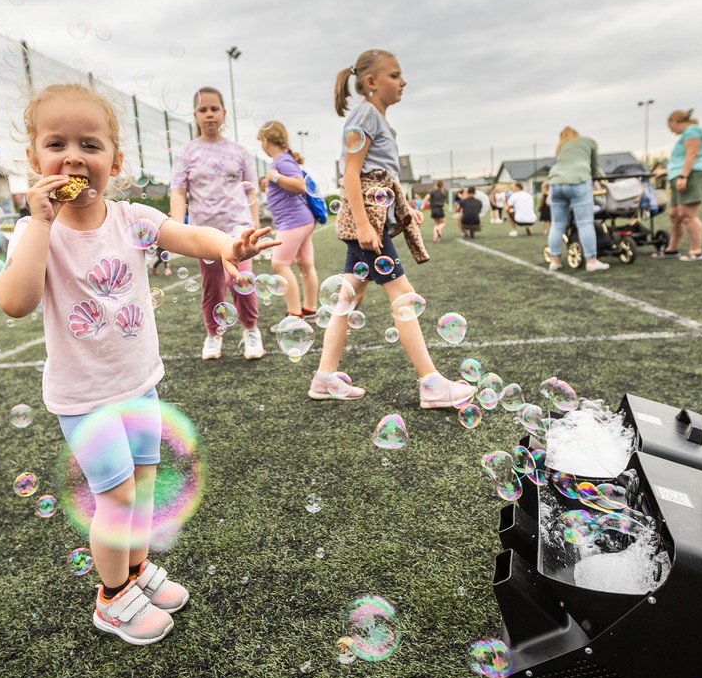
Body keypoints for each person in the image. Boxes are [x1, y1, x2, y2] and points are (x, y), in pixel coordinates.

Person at [0, 83, 277, 645]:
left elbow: (190, 235)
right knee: (117, 497)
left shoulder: (131, 218)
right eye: (56, 143)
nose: (73, 156)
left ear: (115, 162)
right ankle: (111, 597)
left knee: (144, 488)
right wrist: (40, 223)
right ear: (34, 162)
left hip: (139, 385)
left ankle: (136, 570)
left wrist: (228, 247)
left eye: (90, 145)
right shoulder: (35, 234)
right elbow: (15, 301)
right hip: (84, 398)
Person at [312, 49, 476, 409]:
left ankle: (324, 378)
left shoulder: (377, 118)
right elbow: (352, 174)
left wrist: (408, 210)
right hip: (368, 226)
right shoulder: (365, 113)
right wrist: (365, 225)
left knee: (347, 299)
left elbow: (381, 177)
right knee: (403, 296)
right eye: (395, 75)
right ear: (371, 83)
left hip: (373, 221)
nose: (403, 82)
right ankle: (431, 384)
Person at [170, 87, 264, 361]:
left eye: (214, 109)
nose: (209, 114)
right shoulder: (187, 153)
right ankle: (213, 332)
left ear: (224, 113)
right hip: (204, 233)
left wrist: (255, 228)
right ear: (195, 116)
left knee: (241, 280)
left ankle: (250, 329)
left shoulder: (240, 152)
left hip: (239, 229)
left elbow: (250, 192)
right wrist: (178, 227)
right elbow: (178, 191)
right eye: (203, 110)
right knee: (212, 286)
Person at [258, 120, 318, 326]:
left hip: (293, 222)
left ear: (266, 142)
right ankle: (309, 310)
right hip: (300, 220)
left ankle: (294, 315)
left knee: (280, 264)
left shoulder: (281, 161)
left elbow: (299, 185)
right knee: (304, 264)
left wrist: (275, 177)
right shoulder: (285, 159)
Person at [545, 127, 608, 272]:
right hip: (579, 180)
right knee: (585, 223)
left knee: (557, 224)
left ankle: (554, 261)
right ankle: (591, 261)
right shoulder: (589, 142)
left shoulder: (561, 146)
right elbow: (593, 166)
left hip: (555, 182)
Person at [653, 109, 702, 261]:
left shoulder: (693, 131)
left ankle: (696, 251)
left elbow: (692, 154)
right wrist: (667, 171)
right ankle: (673, 248)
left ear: (675, 121)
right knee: (674, 215)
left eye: (670, 126)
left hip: (692, 175)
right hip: (679, 176)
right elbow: (681, 159)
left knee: (688, 216)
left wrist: (683, 176)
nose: (670, 130)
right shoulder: (686, 134)